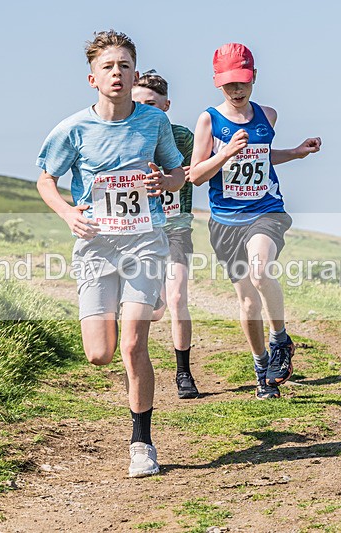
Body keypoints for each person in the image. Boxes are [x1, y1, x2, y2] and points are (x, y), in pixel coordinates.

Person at [36, 30, 185, 477]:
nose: (116, 73)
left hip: (144, 237)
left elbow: (178, 173)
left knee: (133, 344)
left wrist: (167, 182)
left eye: (123, 66)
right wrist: (66, 214)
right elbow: (46, 179)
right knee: (99, 354)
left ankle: (142, 443)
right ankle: (140, 303)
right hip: (97, 244)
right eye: (108, 67)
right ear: (92, 78)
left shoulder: (153, 123)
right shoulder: (73, 128)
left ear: (135, 72)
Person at [189, 42, 321, 400]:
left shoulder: (268, 115)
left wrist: (295, 152)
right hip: (226, 220)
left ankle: (280, 340)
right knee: (247, 302)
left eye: (242, 82)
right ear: (218, 82)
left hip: (266, 212)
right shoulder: (209, 120)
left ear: (254, 78)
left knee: (261, 272)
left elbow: (263, 157)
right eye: (229, 83)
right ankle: (262, 369)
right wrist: (226, 152)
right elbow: (197, 175)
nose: (236, 89)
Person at [132, 70, 199, 400]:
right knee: (153, 309)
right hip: (141, 230)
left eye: (152, 104)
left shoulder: (182, 138)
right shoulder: (127, 137)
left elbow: (197, 170)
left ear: (166, 105)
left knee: (177, 298)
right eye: (139, 103)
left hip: (176, 228)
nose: (146, 108)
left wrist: (182, 175)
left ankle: (183, 371)